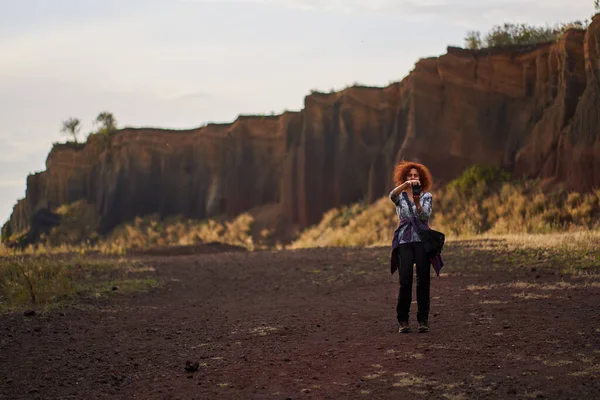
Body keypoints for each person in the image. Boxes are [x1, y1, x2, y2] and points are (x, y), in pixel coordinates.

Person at [388, 161, 434, 333]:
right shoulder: (400, 196)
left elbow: (424, 216)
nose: (413, 178)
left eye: (415, 175)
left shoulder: (427, 196)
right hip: (404, 242)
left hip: (422, 241)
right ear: (404, 177)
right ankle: (403, 321)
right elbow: (391, 196)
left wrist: (417, 202)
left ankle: (423, 320)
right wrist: (405, 186)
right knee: (405, 281)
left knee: (423, 281)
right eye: (410, 175)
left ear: (420, 178)